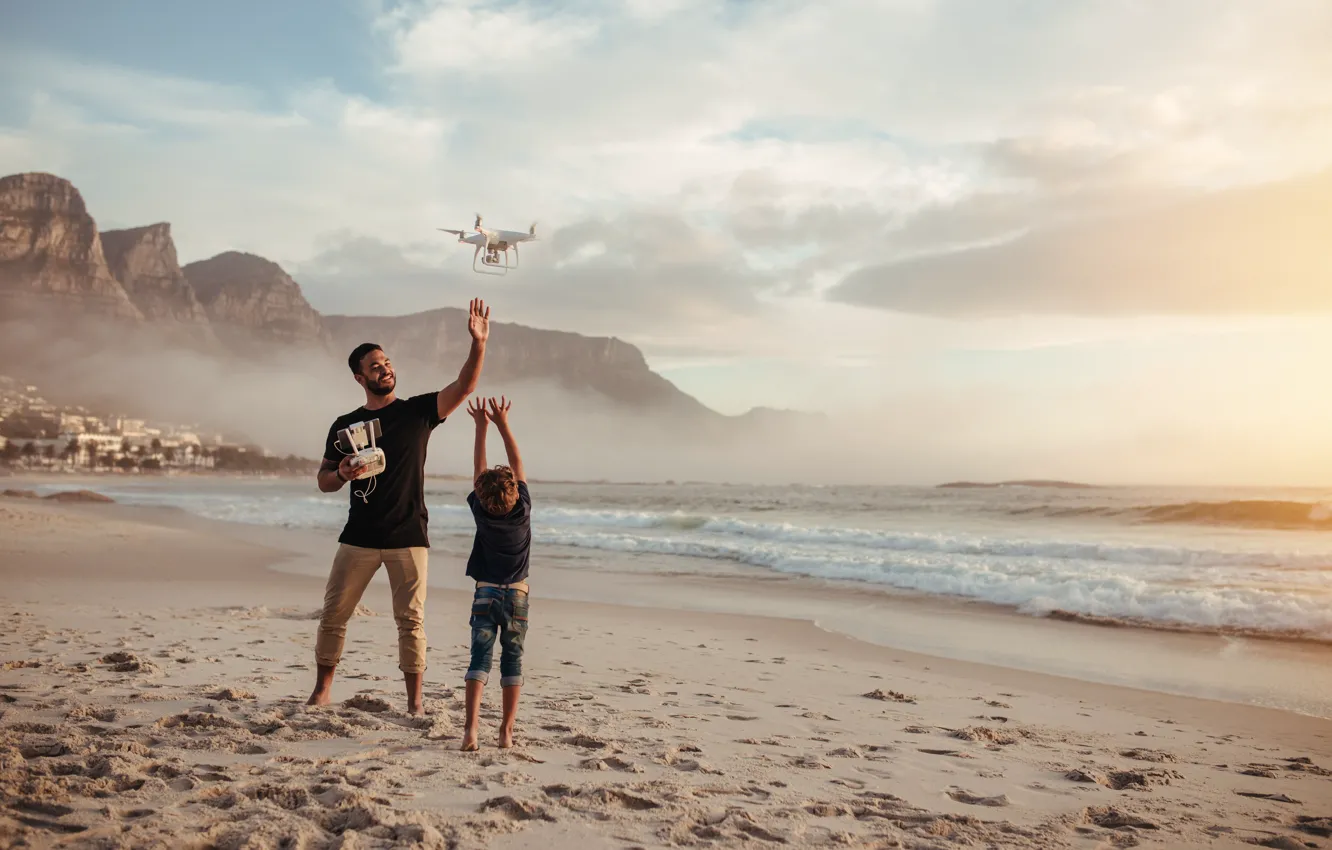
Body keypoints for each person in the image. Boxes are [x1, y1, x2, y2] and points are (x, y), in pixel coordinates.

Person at [306, 298, 491, 715]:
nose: (385, 369)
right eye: (375, 366)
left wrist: (478, 343)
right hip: (359, 536)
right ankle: (322, 691)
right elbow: (322, 481)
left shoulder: (418, 413)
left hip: (409, 534)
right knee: (334, 615)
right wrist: (343, 475)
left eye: (387, 363)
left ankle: (415, 702)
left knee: (411, 623)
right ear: (360, 377)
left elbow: (465, 386)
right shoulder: (344, 425)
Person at [461, 394, 530, 750]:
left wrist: (481, 427)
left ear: (481, 496)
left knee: (479, 659)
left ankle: (471, 729)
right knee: (512, 659)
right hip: (517, 595)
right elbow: (516, 463)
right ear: (516, 493)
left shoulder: (481, 512)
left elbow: (479, 470)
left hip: (485, 593)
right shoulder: (522, 510)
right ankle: (505, 731)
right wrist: (503, 424)